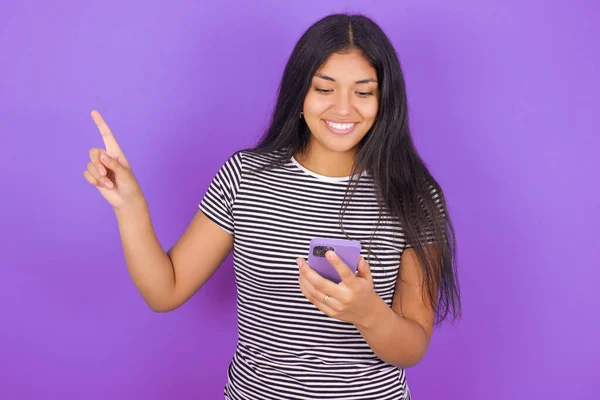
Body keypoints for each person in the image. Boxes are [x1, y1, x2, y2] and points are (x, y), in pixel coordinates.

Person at [83, 12, 461, 400]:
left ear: (384, 101)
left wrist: (368, 313)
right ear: (300, 93)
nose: (344, 109)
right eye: (324, 88)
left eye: (363, 92)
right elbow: (166, 290)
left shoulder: (413, 194)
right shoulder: (245, 177)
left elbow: (413, 345)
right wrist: (129, 204)